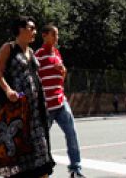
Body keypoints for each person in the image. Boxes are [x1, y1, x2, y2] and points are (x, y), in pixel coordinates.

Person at [0, 16, 55, 178]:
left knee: (39, 144)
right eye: (31, 28)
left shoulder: (31, 52)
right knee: (10, 143)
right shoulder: (8, 48)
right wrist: (8, 90)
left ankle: (41, 173)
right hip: (17, 106)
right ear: (20, 29)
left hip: (35, 107)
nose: (35, 32)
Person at [35, 24, 84, 178]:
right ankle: (42, 171)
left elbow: (61, 76)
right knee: (42, 141)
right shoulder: (38, 55)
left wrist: (63, 71)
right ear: (44, 36)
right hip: (46, 105)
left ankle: (75, 169)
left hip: (61, 102)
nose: (57, 37)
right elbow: (34, 79)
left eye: (57, 34)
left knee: (72, 134)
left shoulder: (57, 53)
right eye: (54, 34)